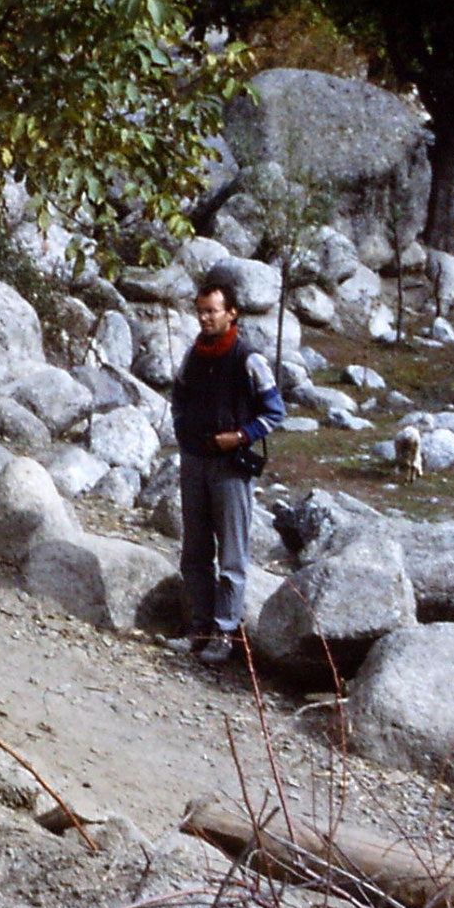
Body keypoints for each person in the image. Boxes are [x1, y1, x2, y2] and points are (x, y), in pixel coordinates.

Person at [169, 279, 285, 665]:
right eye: (200, 311)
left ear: (231, 313)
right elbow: (179, 397)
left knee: (232, 555)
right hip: (194, 462)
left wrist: (240, 436)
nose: (204, 318)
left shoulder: (249, 359)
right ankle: (199, 629)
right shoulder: (194, 355)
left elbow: (275, 412)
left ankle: (225, 633)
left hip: (231, 468)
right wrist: (184, 433)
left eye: (211, 311)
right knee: (195, 551)